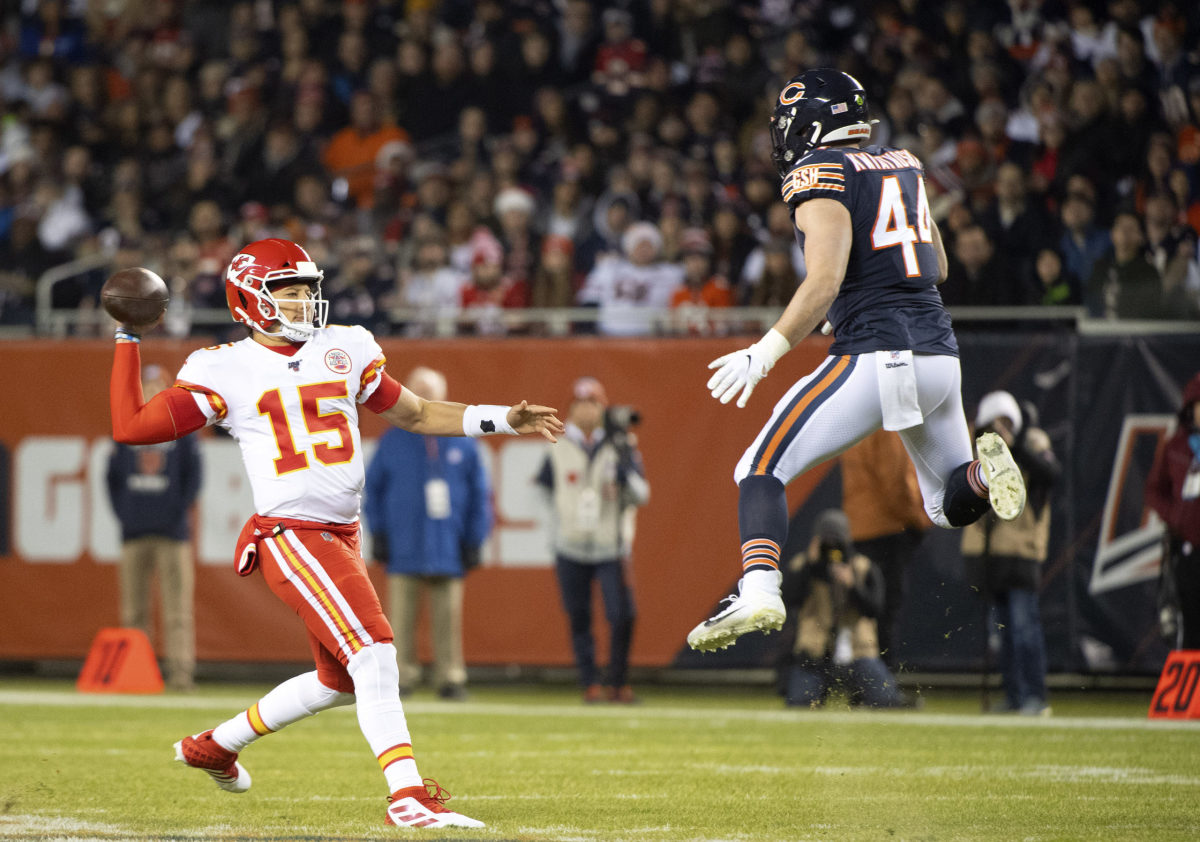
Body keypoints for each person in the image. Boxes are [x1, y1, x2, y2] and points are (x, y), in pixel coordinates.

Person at [108, 238, 562, 829]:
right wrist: (127, 339)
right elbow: (133, 427)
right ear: (250, 298)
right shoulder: (224, 367)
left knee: (339, 679)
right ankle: (407, 795)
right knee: (374, 652)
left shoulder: (343, 347)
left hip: (340, 533)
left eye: (307, 290)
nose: (303, 303)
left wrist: (504, 419)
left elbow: (418, 413)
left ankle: (215, 744)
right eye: (288, 292)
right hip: (292, 532)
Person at [687, 69, 1028, 653]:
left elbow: (824, 279)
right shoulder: (906, 163)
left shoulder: (819, 172)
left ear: (813, 123)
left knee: (759, 468)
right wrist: (851, 296)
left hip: (877, 354)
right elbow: (934, 267)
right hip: (940, 356)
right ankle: (981, 473)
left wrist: (764, 351)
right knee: (949, 504)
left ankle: (760, 587)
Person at [364, 366, 493, 701]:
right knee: (399, 619)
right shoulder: (392, 439)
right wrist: (378, 533)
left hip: (448, 543)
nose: (426, 398)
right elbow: (372, 489)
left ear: (444, 395)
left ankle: (450, 676)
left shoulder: (462, 441)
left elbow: (480, 494)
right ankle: (402, 676)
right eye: (419, 391)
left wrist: (475, 538)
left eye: (431, 391)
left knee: (447, 617)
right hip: (404, 542)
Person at [536, 376, 649, 703]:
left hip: (610, 545)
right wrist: (554, 531)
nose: (586, 409)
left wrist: (624, 481)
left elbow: (642, 495)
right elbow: (543, 492)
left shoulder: (621, 444)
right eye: (580, 403)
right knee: (579, 616)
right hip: (570, 544)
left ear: (603, 408)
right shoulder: (556, 445)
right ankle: (590, 683)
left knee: (622, 614)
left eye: (593, 403)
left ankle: (618, 681)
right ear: (571, 409)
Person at [961, 391, 1060, 716]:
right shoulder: (975, 451)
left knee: (1024, 630)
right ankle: (1015, 696)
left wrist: (1013, 449)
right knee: (1001, 636)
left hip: (1020, 554)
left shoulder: (1032, 443)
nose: (1000, 430)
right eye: (994, 424)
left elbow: (1051, 475)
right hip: (990, 556)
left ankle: (1035, 696)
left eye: (1006, 423)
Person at [105, 364, 203, 692]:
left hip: (172, 532)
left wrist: (176, 511)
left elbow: (194, 478)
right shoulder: (127, 429)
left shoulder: (182, 431)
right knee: (133, 610)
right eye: (146, 385)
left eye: (156, 385)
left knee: (177, 611)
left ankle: (180, 675)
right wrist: (126, 515)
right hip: (134, 532)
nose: (151, 391)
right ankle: (137, 673)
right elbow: (112, 478)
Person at [778, 509, 909, 709]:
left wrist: (852, 585)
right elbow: (789, 600)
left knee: (886, 702)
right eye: (826, 541)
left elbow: (874, 610)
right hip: (814, 653)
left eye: (837, 541)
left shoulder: (863, 567)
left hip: (858, 652)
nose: (832, 548)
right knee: (800, 703)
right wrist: (810, 567)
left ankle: (862, 696)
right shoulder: (803, 566)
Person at [840, 429, 930, 668]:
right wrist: (919, 520)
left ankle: (864, 684)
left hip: (859, 526)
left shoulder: (857, 423)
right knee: (886, 609)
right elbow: (896, 481)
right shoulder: (886, 425)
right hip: (888, 528)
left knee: (863, 611)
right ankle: (881, 686)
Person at [1146, 372, 1200, 649]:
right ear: (1191, 409)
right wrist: (1176, 516)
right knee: (1190, 620)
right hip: (1188, 549)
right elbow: (1154, 490)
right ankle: (1193, 691)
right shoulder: (1176, 447)